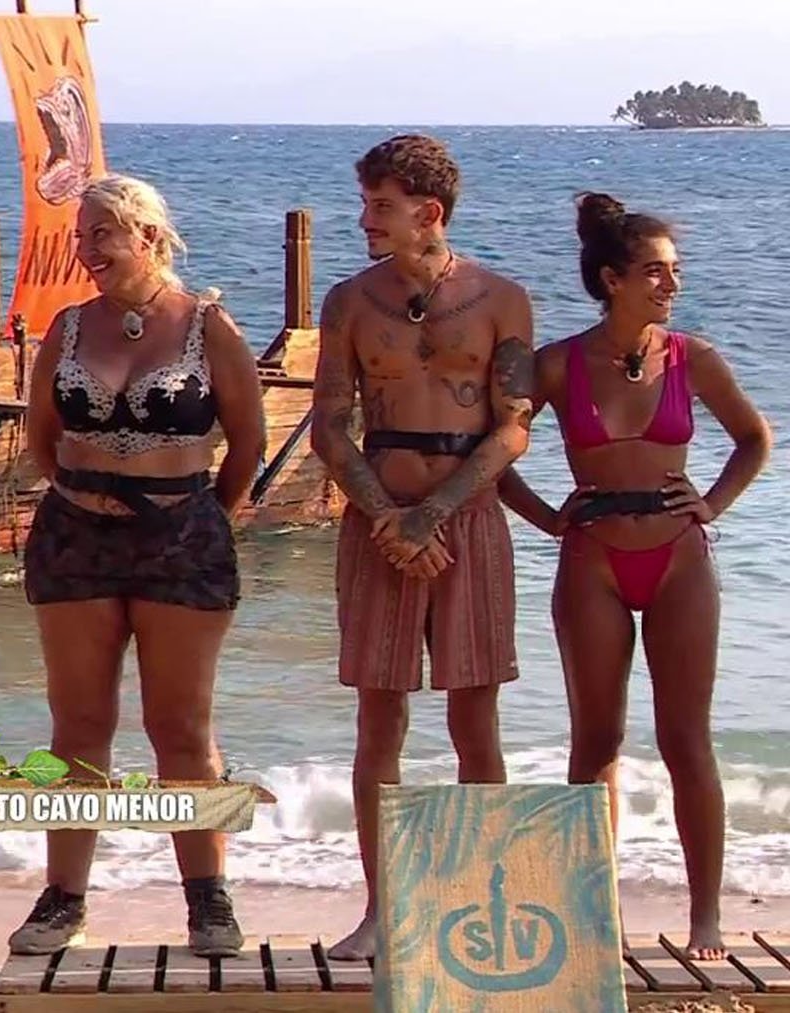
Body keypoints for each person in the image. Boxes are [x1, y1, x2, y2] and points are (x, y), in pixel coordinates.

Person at [497, 192, 772, 961]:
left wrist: (711, 503)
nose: (671, 284)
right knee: (597, 739)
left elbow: (754, 439)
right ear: (612, 279)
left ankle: (706, 916)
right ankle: (596, 912)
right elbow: (495, 453)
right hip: (593, 561)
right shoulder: (559, 364)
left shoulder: (692, 357)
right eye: (655, 271)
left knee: (687, 739)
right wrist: (546, 516)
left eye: (674, 270)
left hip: (679, 557)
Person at [12, 173, 267, 957]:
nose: (86, 250)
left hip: (181, 540)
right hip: (75, 538)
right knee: (78, 726)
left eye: (101, 234)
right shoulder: (68, 327)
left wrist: (199, 516)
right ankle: (63, 898)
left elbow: (249, 442)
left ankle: (208, 899)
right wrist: (87, 494)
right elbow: (42, 437)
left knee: (180, 727)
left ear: (148, 237)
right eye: (81, 236)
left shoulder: (207, 327)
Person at [309, 134, 537, 962]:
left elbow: (514, 426)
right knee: (380, 718)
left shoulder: (502, 300)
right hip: (379, 521)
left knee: (476, 718)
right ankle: (383, 908)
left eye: (381, 207)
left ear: (428, 213)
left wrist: (434, 512)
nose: (365, 220)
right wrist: (387, 516)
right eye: (366, 204)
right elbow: (329, 424)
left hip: (466, 521)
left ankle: (484, 901)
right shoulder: (350, 302)